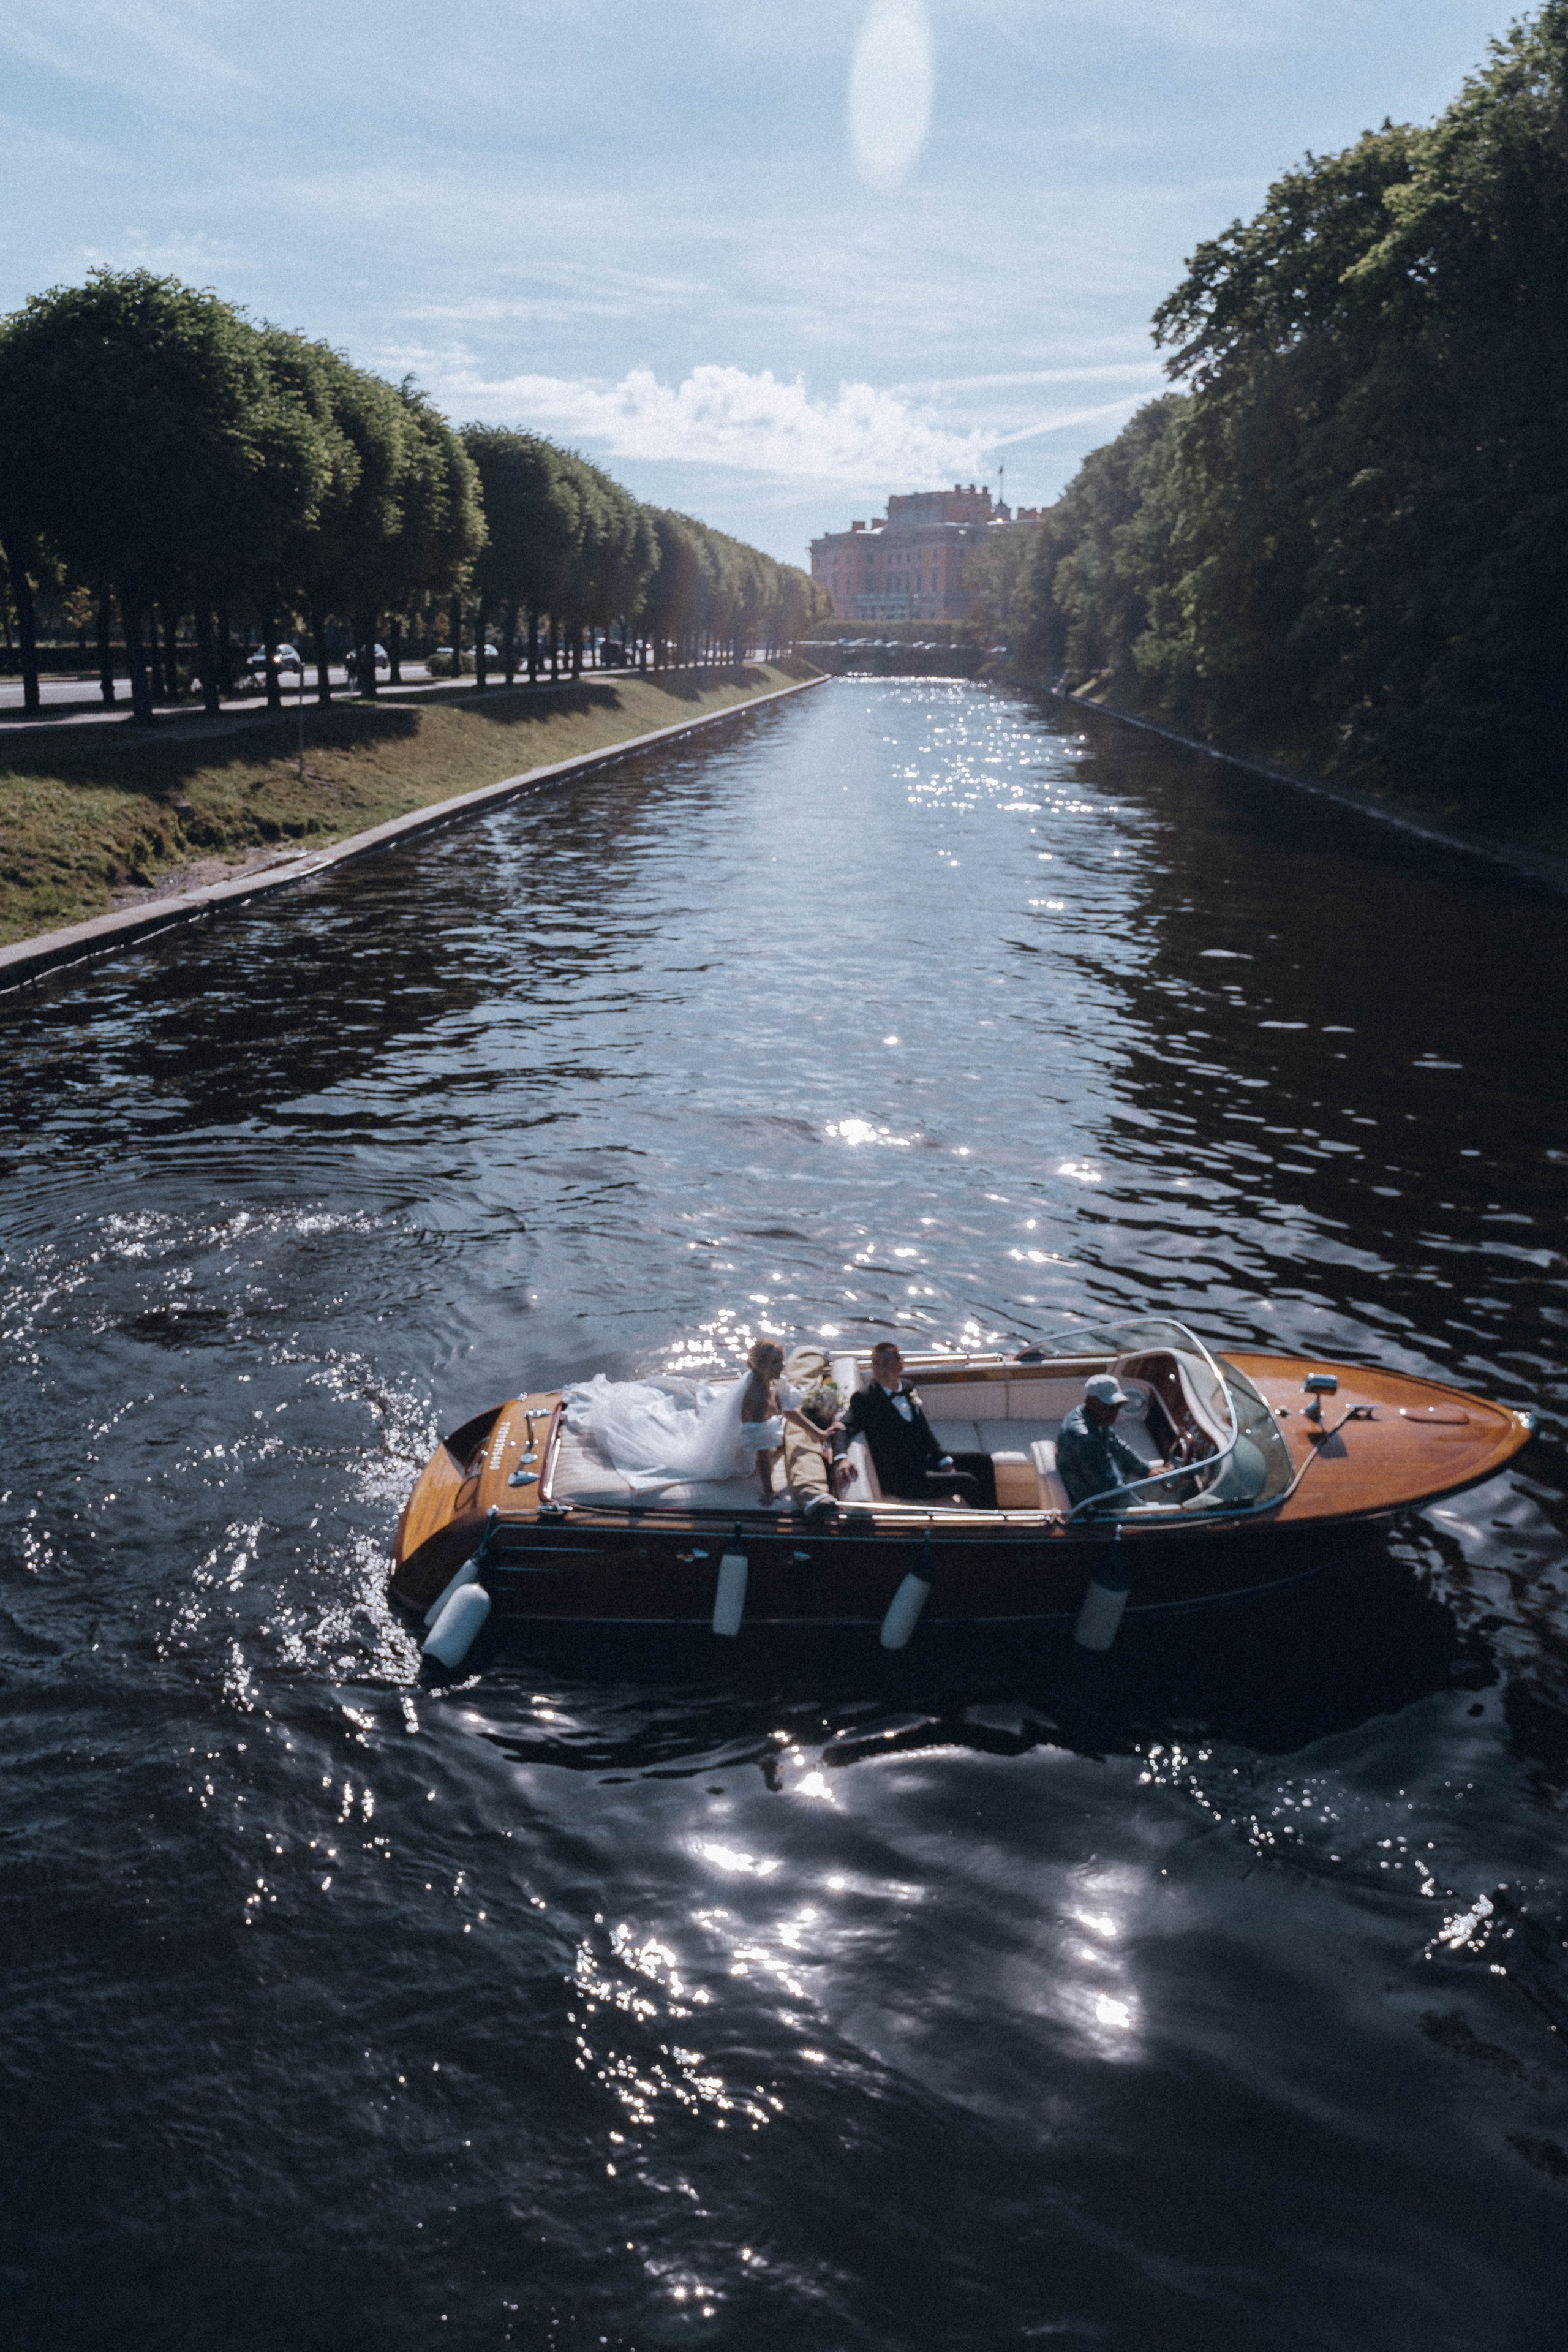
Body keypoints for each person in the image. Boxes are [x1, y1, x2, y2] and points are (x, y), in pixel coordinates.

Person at [830, 1340, 998, 1509]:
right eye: (876, 1364)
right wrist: (842, 1459)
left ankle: (995, 1513)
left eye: (887, 1364)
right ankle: (988, 1526)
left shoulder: (908, 1387)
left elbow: (925, 1431)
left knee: (982, 1462)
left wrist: (943, 1461)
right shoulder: (866, 1398)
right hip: (903, 1480)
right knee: (967, 1482)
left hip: (922, 1461)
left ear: (900, 1366)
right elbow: (842, 1429)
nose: (881, 1370)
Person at [741, 1338, 838, 1519]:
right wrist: (769, 1491)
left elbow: (789, 1412)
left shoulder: (773, 1382)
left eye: (782, 1361)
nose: (781, 1367)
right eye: (775, 1363)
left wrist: (820, 1433)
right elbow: (762, 1453)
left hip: (764, 1438)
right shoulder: (757, 1400)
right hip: (748, 1451)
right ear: (762, 1365)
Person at [1055, 1373, 1165, 1510]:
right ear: (1090, 1401)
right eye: (1109, 1406)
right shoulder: (1085, 1438)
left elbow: (1117, 1445)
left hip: (1104, 1480)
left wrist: (1147, 1469)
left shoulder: (1094, 1417)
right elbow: (1109, 1492)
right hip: (1091, 1503)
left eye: (1117, 1407)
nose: (1114, 1413)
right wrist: (1145, 1510)